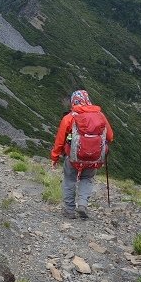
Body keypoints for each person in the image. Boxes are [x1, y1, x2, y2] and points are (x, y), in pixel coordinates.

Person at [50, 90, 114, 220]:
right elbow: (110, 137)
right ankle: (83, 205)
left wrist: (55, 157)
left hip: (73, 157)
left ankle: (69, 210)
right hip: (94, 158)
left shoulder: (70, 117)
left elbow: (60, 140)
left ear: (74, 101)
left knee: (70, 180)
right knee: (87, 179)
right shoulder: (100, 115)